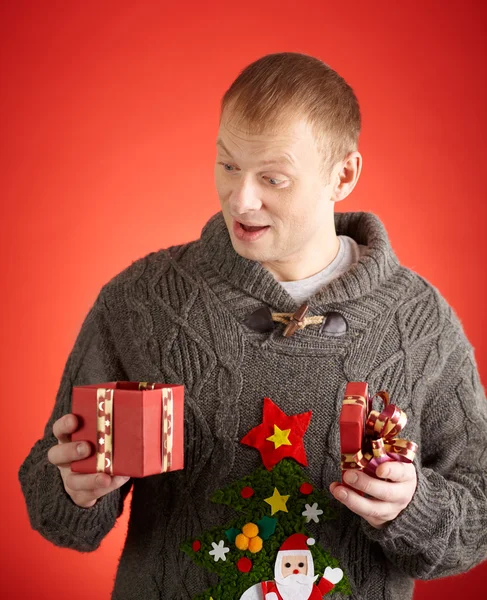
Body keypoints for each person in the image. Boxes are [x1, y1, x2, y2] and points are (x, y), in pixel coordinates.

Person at [19, 52, 487, 600]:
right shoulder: (141, 300)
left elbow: (478, 511)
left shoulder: (419, 322)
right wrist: (73, 489)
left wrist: (414, 505)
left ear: (344, 174)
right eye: (227, 165)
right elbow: (53, 509)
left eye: (273, 177)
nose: (241, 199)